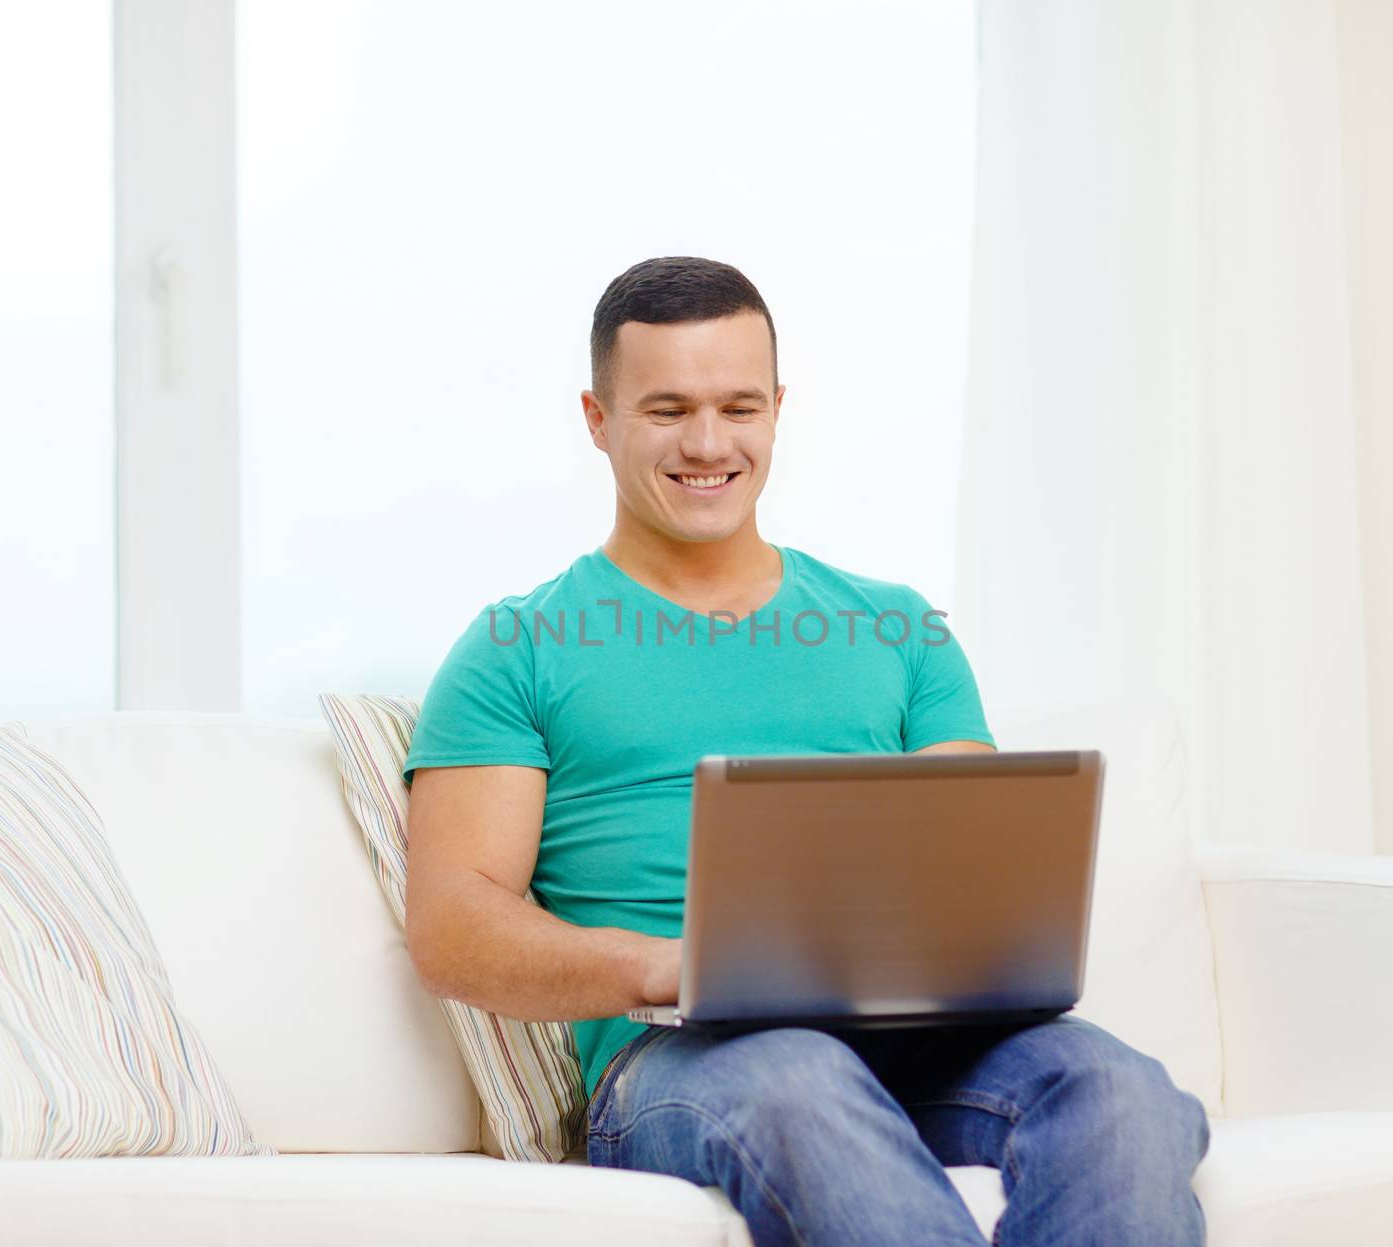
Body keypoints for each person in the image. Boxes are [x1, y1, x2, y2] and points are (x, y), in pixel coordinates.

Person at [402, 256, 1210, 1245]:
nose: (708, 443)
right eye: (667, 410)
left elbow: (970, 863)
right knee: (801, 1074)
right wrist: (670, 965)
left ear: (778, 409)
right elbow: (453, 927)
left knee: (1119, 1087)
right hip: (691, 1063)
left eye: (738, 406)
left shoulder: (898, 627)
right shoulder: (516, 648)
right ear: (596, 417)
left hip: (919, 1045)